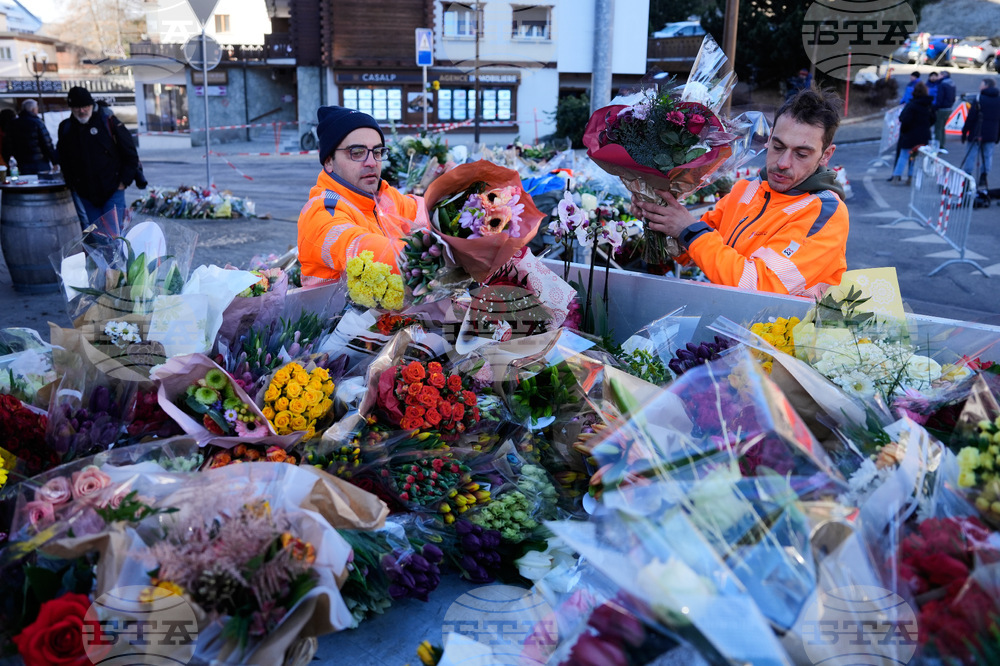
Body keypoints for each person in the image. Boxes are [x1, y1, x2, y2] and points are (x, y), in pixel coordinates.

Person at [630, 89, 848, 298]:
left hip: (783, 334)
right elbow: (693, 252)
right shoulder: (748, 188)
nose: (782, 163)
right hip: (731, 325)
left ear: (826, 155)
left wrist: (688, 230)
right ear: (769, 137)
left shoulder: (826, 213)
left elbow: (759, 286)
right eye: (778, 147)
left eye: (801, 154)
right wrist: (659, 215)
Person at [297, 106, 425, 284]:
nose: (372, 162)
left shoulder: (383, 195)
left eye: (378, 152)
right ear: (328, 161)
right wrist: (430, 256)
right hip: (335, 312)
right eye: (357, 153)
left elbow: (425, 211)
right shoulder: (322, 211)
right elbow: (359, 249)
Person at [57, 86, 140, 232]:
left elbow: (131, 154)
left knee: (114, 236)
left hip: (113, 190)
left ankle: (119, 256)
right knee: (97, 237)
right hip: (86, 194)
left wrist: (123, 182)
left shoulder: (108, 121)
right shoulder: (66, 128)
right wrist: (72, 184)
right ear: (71, 108)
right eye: (77, 107)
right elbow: (63, 158)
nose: (82, 111)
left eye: (85, 106)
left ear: (91, 105)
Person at [889, 81, 935, 184]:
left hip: (909, 135)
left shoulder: (911, 105)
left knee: (904, 155)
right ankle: (910, 176)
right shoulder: (928, 105)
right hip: (923, 136)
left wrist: (904, 130)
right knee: (915, 158)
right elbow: (933, 119)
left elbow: (904, 119)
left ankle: (896, 176)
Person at [961, 77, 1000, 186]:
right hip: (991, 134)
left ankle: (967, 178)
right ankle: (984, 176)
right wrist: (997, 135)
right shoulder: (998, 100)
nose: (979, 86)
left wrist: (965, 132)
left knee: (971, 155)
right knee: (987, 156)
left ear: (986, 86)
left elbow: (971, 117)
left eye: (981, 84)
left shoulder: (979, 99)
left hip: (976, 133)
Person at [4, 99, 57, 175]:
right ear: (33, 109)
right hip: (40, 163)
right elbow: (47, 144)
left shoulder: (13, 124)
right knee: (43, 184)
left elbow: (8, 145)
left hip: (21, 164)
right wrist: (54, 161)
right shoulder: (38, 122)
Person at [934, 70, 957, 148]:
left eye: (939, 75)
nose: (938, 77)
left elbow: (940, 98)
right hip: (949, 108)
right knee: (942, 127)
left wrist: (936, 107)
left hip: (942, 109)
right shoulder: (952, 83)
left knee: (938, 128)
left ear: (943, 75)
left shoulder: (942, 84)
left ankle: (937, 145)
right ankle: (942, 144)